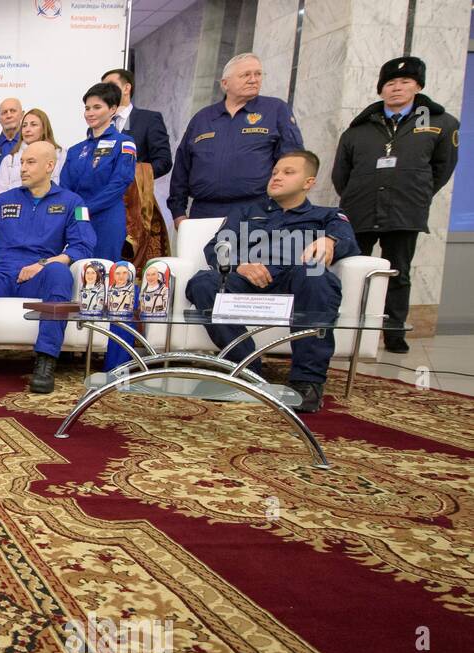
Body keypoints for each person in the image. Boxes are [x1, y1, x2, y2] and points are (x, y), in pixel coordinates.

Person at [185, 150, 359, 413]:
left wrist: (330, 239)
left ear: (308, 182)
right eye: (275, 172)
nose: (277, 177)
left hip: (295, 278)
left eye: (288, 172)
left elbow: (348, 242)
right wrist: (240, 265)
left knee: (315, 275)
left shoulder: (328, 215)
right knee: (203, 282)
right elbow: (218, 246)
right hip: (248, 277)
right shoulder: (246, 212)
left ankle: (307, 382)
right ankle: (245, 368)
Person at [0, 141, 96, 396]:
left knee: (60, 274)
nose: (23, 169)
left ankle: (46, 360)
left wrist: (43, 264)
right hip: (3, 271)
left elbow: (83, 246)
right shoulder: (4, 201)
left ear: (50, 165)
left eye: (31, 162)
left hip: (42, 272)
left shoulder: (72, 203)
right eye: (22, 162)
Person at [331, 56, 459, 354]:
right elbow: (341, 174)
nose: (397, 88)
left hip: (404, 211)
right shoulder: (358, 129)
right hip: (359, 210)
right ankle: (344, 328)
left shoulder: (440, 124)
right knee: (350, 268)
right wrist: (355, 196)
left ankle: (393, 332)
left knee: (398, 273)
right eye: (390, 83)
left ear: (418, 86)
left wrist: (418, 194)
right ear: (381, 89)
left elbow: (442, 169)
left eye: (405, 82)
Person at [169, 53, 303, 225]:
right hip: (204, 213)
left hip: (257, 211)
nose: (253, 80)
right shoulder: (203, 118)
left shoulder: (276, 109)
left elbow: (293, 161)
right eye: (245, 75)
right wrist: (178, 213)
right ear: (225, 83)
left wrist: (289, 209)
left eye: (258, 74)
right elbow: (182, 167)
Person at [62, 82, 139, 372]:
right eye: (87, 107)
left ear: (113, 109)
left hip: (106, 219)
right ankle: (73, 348)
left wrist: (86, 208)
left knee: (111, 283)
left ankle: (116, 359)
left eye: (97, 107)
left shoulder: (124, 143)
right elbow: (66, 187)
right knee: (78, 278)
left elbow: (120, 183)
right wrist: (74, 212)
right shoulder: (76, 149)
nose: (90, 113)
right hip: (77, 222)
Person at [101, 68, 172, 178]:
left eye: (111, 85)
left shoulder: (149, 119)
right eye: (103, 88)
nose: (105, 91)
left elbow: (164, 161)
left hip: (132, 191)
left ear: (126, 88)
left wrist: (134, 175)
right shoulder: (100, 123)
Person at [0, 108, 63, 196]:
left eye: (33, 125)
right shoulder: (9, 159)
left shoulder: (60, 155)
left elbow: (65, 189)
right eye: (24, 125)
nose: (27, 129)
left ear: (44, 128)